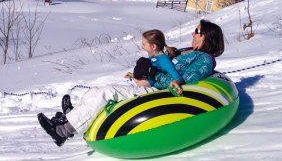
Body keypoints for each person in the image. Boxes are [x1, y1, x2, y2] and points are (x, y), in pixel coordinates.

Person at [37, 19, 224, 147]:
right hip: (150, 85)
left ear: (206, 36)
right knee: (98, 89)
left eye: (197, 31)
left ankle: (63, 131)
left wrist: (153, 75)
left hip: (159, 93)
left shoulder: (205, 60)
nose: (193, 32)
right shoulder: (189, 51)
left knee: (107, 93)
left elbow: (185, 80)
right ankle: (72, 116)